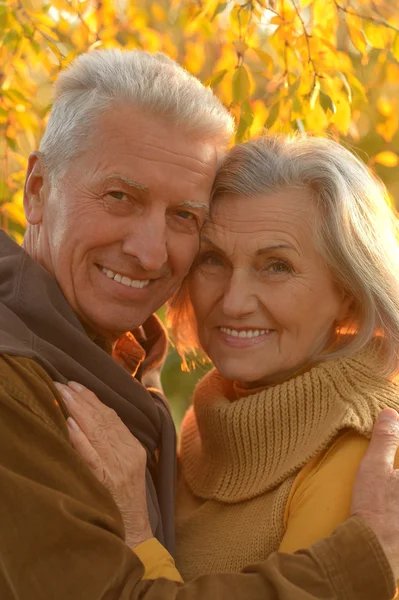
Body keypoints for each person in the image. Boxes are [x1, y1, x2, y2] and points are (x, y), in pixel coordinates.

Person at [0, 47, 396, 599]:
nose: (149, 251)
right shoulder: (17, 381)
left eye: (184, 216)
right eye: (120, 196)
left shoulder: (365, 455)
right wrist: (352, 569)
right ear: (37, 190)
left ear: (351, 297)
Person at [62, 134, 399, 589]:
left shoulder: (360, 452)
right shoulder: (216, 414)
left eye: (276, 265)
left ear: (350, 296)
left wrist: (136, 534)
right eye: (213, 260)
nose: (234, 302)